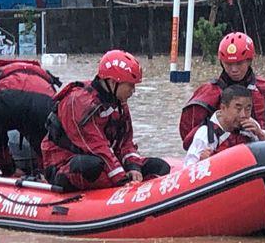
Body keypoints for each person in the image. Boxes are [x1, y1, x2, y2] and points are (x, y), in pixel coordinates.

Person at [41, 50, 170, 192]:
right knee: (91, 166)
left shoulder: (119, 104)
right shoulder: (79, 102)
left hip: (107, 160)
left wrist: (133, 167)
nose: (133, 91)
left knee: (159, 166)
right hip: (66, 162)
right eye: (130, 85)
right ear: (113, 82)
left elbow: (126, 142)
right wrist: (122, 179)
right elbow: (97, 148)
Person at [0, 58, 61, 176]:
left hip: (9, 97)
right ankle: (50, 174)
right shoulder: (42, 76)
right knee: (49, 138)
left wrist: (8, 169)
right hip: (45, 102)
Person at [184, 85, 265, 165]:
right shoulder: (205, 134)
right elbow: (188, 170)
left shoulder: (252, 126)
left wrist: (260, 134)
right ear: (223, 108)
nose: (243, 115)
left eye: (248, 109)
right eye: (238, 109)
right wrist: (202, 162)